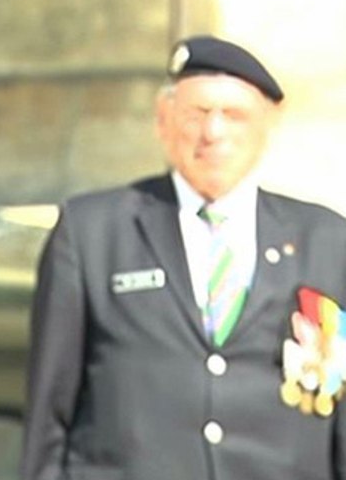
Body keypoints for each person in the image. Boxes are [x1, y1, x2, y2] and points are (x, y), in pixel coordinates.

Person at [21, 35, 346, 480]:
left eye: (234, 116)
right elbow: (49, 410)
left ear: (267, 127)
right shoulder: (92, 232)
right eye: (197, 113)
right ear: (163, 120)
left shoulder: (326, 240)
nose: (214, 133)